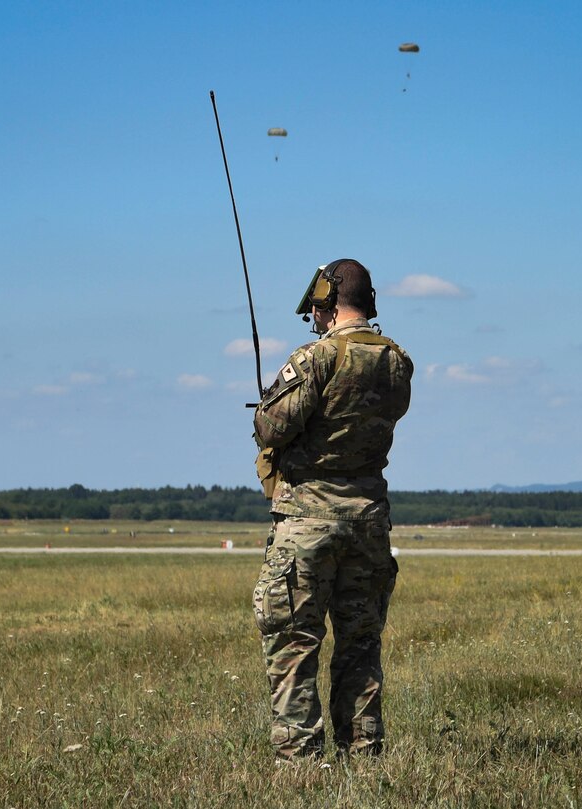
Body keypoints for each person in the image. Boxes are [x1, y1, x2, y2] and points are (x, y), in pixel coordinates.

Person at [251, 258, 413, 761]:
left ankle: (299, 764)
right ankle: (363, 757)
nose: (314, 320)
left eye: (316, 310)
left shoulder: (316, 358)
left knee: (295, 643)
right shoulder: (396, 363)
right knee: (360, 645)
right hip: (368, 521)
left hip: (308, 522)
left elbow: (271, 428)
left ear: (326, 300)